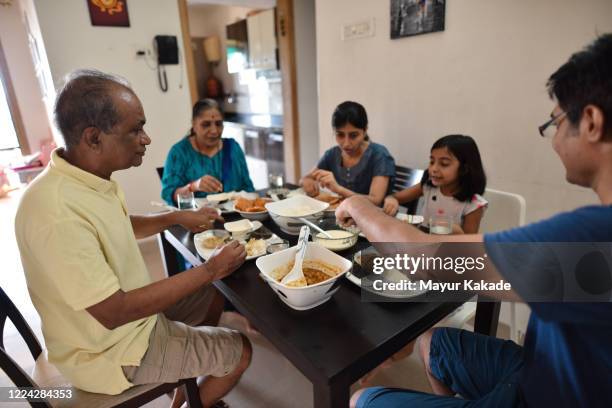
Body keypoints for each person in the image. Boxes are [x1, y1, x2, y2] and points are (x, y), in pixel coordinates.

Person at [337, 34, 612, 407]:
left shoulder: (593, 237)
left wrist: (358, 204)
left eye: (556, 122)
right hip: (540, 370)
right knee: (434, 342)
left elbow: (423, 258)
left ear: (592, 121)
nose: (553, 137)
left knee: (361, 401)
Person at [15, 70, 252, 408]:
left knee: (213, 295)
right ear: (94, 138)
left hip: (129, 322)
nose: (146, 138)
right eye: (136, 129)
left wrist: (174, 216)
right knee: (240, 350)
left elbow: (116, 225)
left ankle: (190, 390)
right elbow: (115, 311)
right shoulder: (55, 212)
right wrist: (210, 269)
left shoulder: (88, 178)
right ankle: (192, 395)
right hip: (108, 349)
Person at [383, 134, 488, 234]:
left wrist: (456, 231)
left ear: (465, 169)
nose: (433, 169)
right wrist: (391, 201)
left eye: (444, 164)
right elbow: (394, 197)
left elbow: (470, 246)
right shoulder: (428, 187)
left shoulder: (474, 205)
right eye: (432, 162)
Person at [301, 101, 395, 206]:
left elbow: (375, 201)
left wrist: (338, 189)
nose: (346, 144)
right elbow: (306, 178)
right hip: (343, 217)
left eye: (353, 135)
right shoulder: (332, 154)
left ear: (365, 131)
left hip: (373, 218)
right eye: (340, 135)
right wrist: (307, 181)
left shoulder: (379, 155)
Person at [161, 98, 254, 206]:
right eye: (206, 124)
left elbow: (248, 188)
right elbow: (169, 195)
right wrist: (193, 186)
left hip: (237, 217)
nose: (214, 130)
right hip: (196, 219)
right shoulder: (179, 153)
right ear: (194, 125)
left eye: (218, 124)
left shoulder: (233, 148)